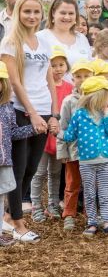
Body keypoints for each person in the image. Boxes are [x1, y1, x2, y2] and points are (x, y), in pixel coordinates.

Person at [0, 0, 59, 243]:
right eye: (27, 11)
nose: (32, 16)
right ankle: (18, 223)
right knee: (19, 168)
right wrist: (32, 113)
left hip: (44, 110)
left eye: (36, 12)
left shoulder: (43, 41)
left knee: (32, 168)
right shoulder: (10, 42)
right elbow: (14, 82)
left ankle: (7, 216)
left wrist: (54, 114)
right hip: (21, 110)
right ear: (18, 13)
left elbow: (50, 80)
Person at [60, 76, 108, 238]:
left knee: (104, 194)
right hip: (86, 162)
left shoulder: (106, 114)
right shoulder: (79, 115)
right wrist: (57, 132)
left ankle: (107, 223)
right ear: (97, 96)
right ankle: (92, 223)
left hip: (104, 161)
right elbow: (70, 135)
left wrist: (107, 112)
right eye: (107, 95)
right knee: (89, 193)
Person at [30, 48, 72, 222]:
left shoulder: (70, 88)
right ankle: (36, 206)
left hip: (59, 138)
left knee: (55, 172)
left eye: (61, 65)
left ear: (66, 66)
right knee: (39, 172)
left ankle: (53, 204)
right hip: (43, 135)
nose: (58, 69)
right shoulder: (42, 87)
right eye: (53, 65)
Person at [0, 60, 37, 246]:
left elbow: (13, 133)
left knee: (1, 197)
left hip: (4, 161)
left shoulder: (8, 107)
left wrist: (33, 129)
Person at [56, 60, 93, 231]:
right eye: (78, 76)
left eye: (86, 76)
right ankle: (69, 214)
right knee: (72, 184)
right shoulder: (69, 101)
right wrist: (62, 151)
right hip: (74, 151)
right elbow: (62, 127)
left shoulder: (97, 99)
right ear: (73, 79)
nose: (83, 79)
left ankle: (90, 214)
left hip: (93, 152)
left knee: (90, 185)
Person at [37, 0, 93, 82]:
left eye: (71, 13)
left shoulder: (82, 38)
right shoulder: (40, 37)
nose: (67, 17)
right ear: (53, 13)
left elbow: (90, 67)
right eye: (63, 13)